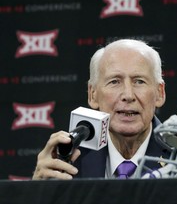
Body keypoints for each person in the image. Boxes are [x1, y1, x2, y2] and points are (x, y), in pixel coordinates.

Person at [32, 39, 169, 180]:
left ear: (160, 93)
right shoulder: (67, 160)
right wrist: (39, 192)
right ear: (93, 95)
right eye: (114, 81)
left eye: (139, 81)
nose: (128, 95)